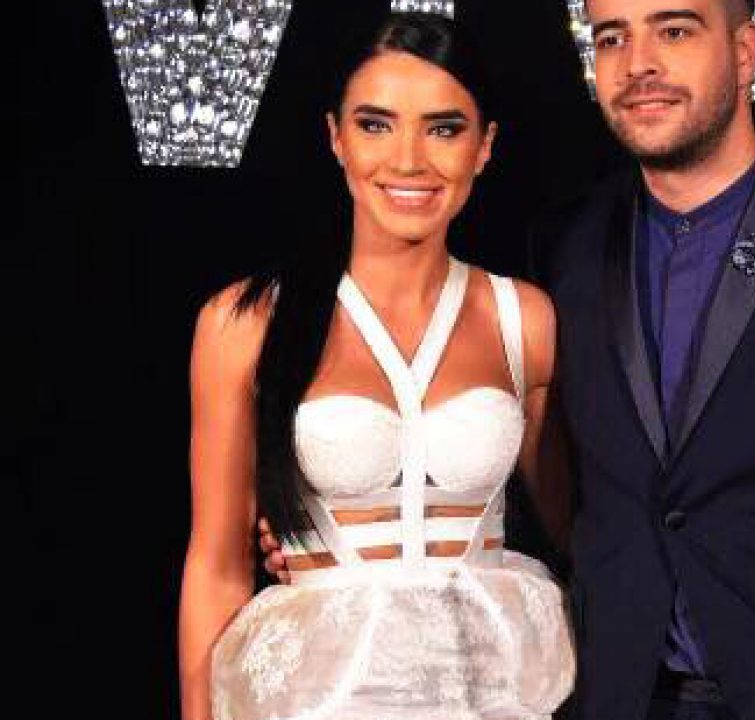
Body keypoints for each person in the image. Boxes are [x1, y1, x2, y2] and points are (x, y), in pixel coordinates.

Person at [262, 0, 755, 718]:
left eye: (674, 31)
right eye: (612, 37)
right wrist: (335, 526)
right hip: (612, 693)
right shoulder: (566, 246)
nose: (638, 63)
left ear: (746, 50)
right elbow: (544, 482)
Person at [180, 13, 573, 720]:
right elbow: (214, 567)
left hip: (487, 699)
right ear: (336, 137)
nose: (408, 160)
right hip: (316, 701)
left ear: (484, 146)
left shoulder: (526, 321)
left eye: (444, 129)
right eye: (376, 125)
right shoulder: (244, 323)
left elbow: (588, 529)